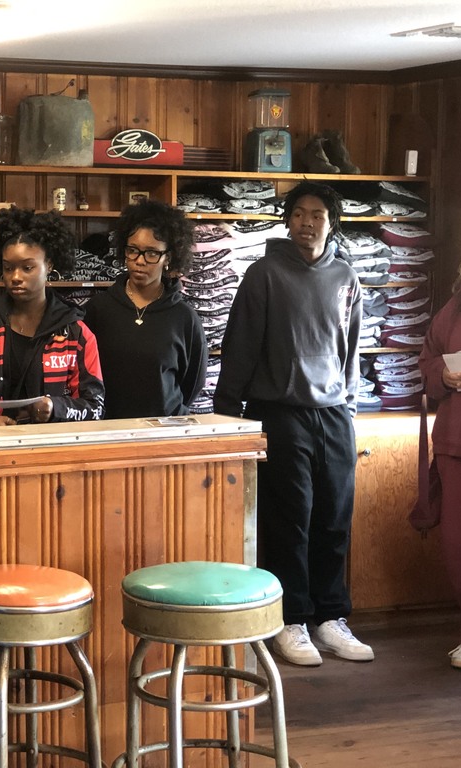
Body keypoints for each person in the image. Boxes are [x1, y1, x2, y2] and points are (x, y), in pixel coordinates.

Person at [214, 181, 372, 666]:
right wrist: (228, 414)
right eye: (299, 213)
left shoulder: (346, 276)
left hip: (334, 414)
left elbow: (351, 350)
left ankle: (330, 616)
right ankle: (292, 619)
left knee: (334, 518)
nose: (307, 222)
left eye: (317, 214)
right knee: (290, 520)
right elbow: (240, 346)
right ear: (288, 220)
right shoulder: (264, 274)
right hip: (280, 412)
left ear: (332, 222)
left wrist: (349, 409)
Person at [0, 206, 105, 426]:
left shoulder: (76, 334)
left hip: (51, 444)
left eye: (27, 268)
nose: (16, 277)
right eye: (8, 268)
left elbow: (95, 406)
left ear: (49, 265)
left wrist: (55, 408)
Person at [83, 199, 207, 419]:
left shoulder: (184, 318)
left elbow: (191, 384)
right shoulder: (98, 309)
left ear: (168, 258)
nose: (139, 261)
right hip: (108, 428)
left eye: (151, 253)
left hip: (164, 429)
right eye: (133, 251)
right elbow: (86, 376)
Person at [419, 257, 461, 670]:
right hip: (457, 440)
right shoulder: (454, 309)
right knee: (459, 545)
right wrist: (444, 376)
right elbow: (428, 359)